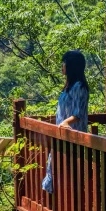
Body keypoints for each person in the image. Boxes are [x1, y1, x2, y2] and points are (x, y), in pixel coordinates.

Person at [42, 50, 89, 193]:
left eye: (64, 63)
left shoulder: (79, 87)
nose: (62, 66)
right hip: (62, 135)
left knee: (69, 172)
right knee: (57, 168)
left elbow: (78, 113)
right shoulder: (69, 86)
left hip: (73, 136)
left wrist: (65, 123)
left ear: (71, 66)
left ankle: (68, 200)